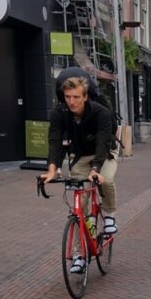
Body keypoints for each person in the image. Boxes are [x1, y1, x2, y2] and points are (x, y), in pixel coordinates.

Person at [42, 67, 120, 270]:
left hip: (105, 152)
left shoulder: (100, 112)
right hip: (81, 156)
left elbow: (103, 141)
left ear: (85, 97)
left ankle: (109, 216)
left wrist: (96, 169)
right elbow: (55, 140)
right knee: (78, 205)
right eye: (68, 97)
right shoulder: (60, 113)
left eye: (76, 97)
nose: (72, 101)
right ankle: (79, 255)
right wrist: (53, 168)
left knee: (107, 179)